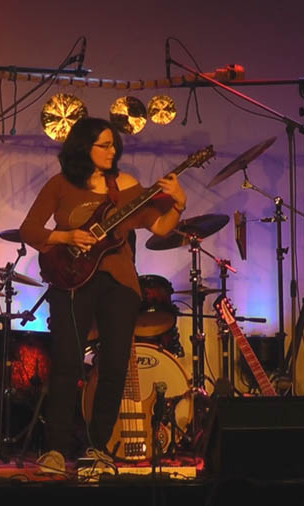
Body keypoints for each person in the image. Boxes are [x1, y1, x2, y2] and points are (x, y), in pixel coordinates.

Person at [19, 117, 186, 473]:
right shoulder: (60, 184)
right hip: (71, 280)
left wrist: (178, 205)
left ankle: (98, 448)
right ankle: (56, 450)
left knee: (114, 366)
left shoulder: (126, 185)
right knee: (67, 363)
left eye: (114, 145)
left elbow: (159, 226)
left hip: (119, 283)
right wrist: (66, 236)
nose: (113, 151)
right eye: (104, 145)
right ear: (84, 147)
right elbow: (29, 230)